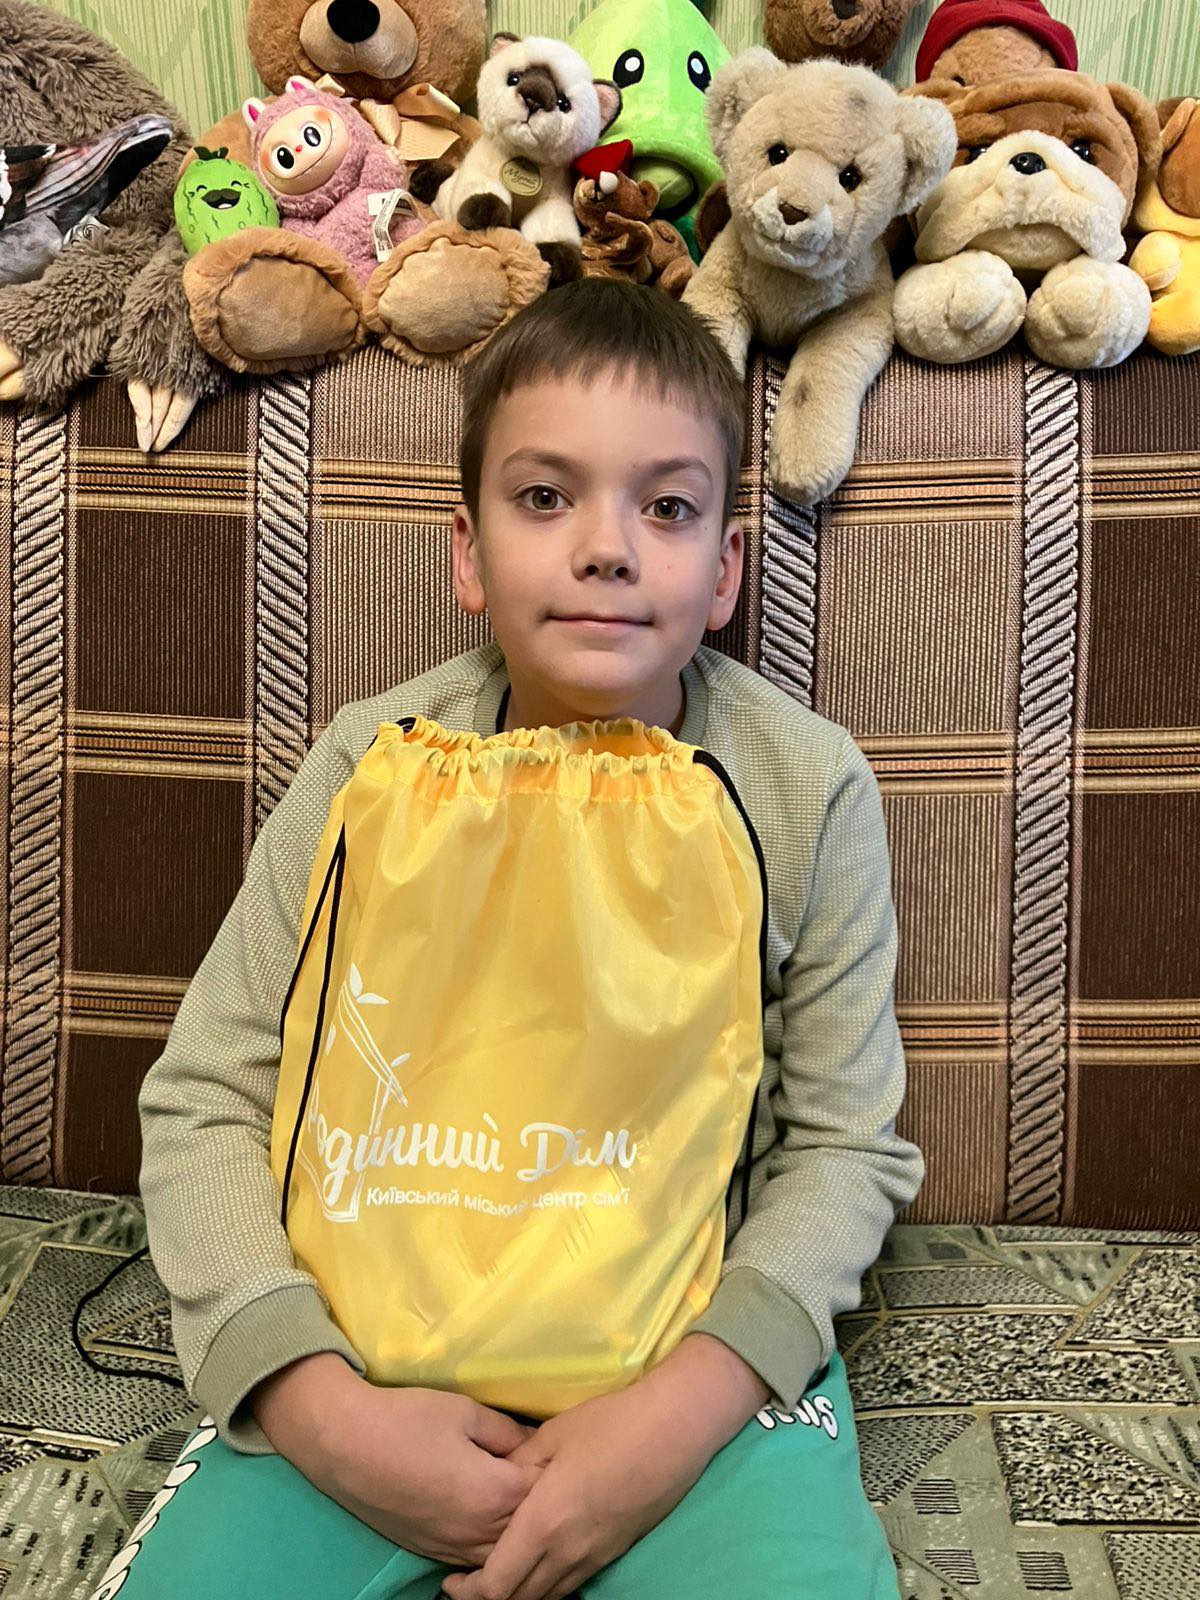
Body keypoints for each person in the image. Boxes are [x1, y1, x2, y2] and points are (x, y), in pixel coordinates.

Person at [93, 278, 923, 1600]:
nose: (608, 548)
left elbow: (841, 1146)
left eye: (667, 508)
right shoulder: (368, 765)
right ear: (468, 556)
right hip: (370, 1366)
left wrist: (679, 1416)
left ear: (724, 572)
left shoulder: (807, 786)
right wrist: (314, 1402)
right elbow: (206, 1102)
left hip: (688, 1385)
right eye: (546, 497)